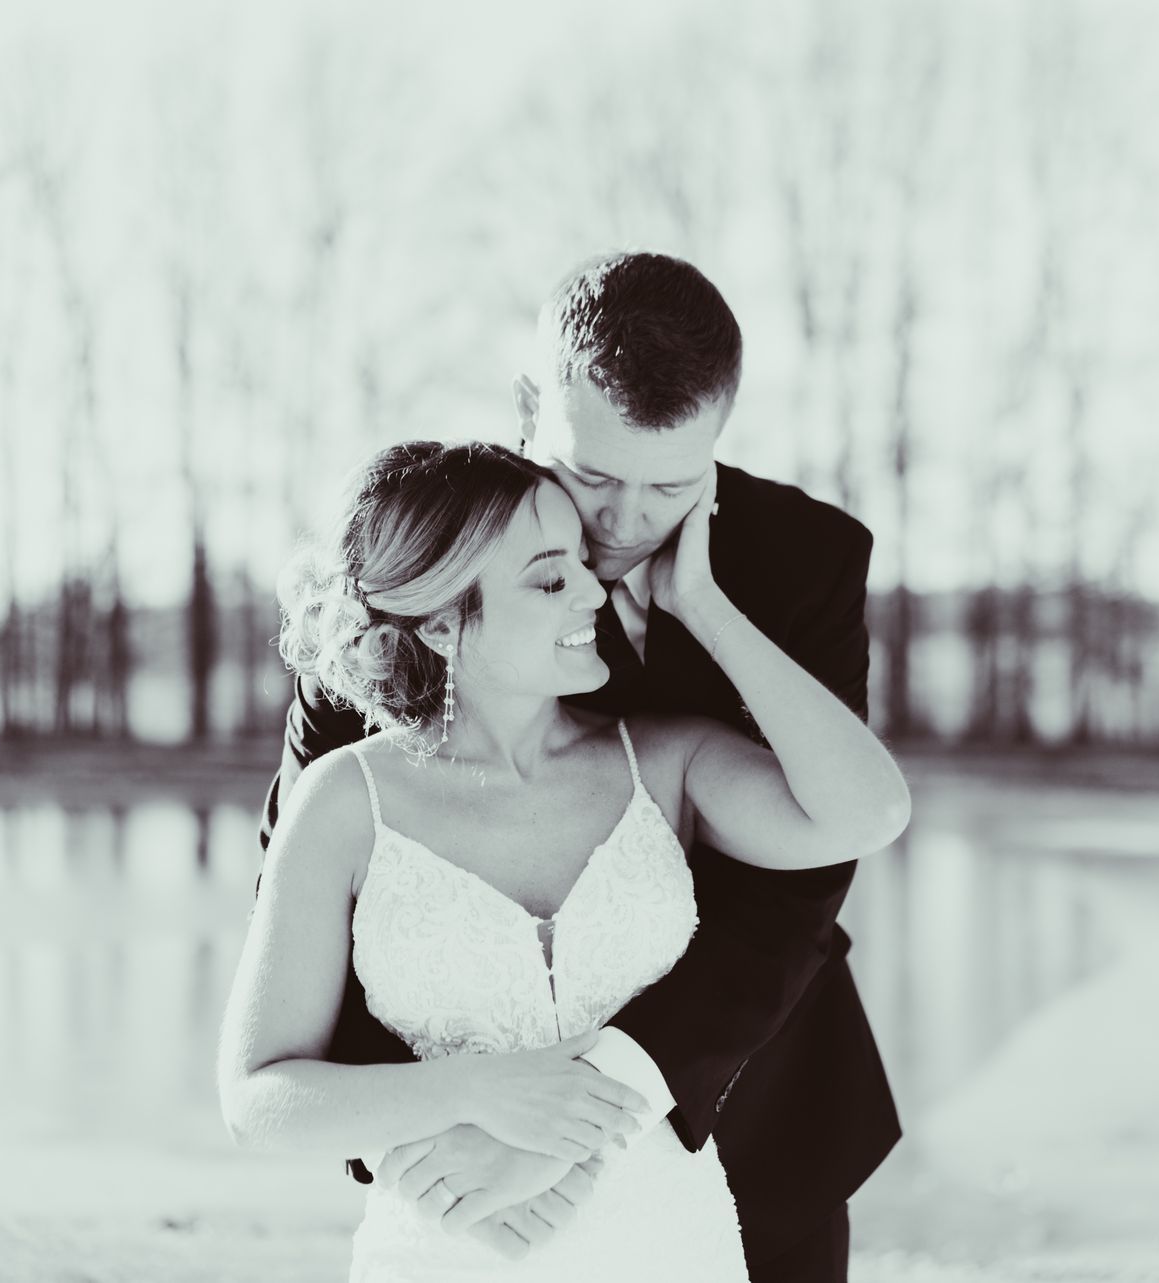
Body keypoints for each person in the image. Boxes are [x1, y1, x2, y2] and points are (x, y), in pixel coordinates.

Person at [254, 253, 904, 1282]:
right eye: (592, 476)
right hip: (458, 1180)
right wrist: (432, 1147)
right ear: (529, 406)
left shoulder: (801, 561)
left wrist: (585, 1113)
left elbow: (798, 888)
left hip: (753, 1118)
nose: (621, 525)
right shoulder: (418, 559)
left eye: (670, 486)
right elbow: (308, 896)